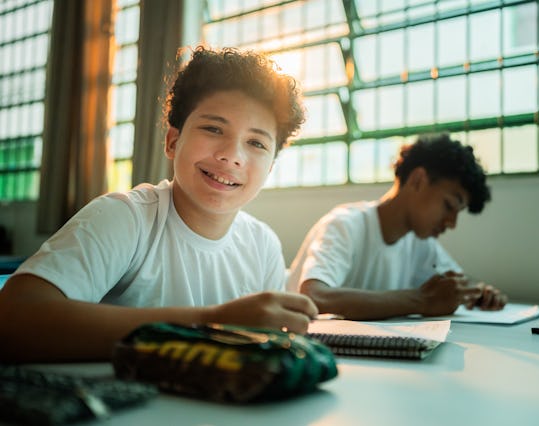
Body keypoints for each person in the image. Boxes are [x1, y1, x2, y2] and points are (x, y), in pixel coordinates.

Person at [0, 46, 318, 362]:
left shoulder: (262, 245)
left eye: (256, 143)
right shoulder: (125, 217)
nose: (231, 155)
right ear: (173, 141)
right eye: (213, 128)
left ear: (271, 168)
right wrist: (213, 322)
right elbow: (14, 319)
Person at [286, 133, 507, 320]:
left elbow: (458, 280)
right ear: (418, 180)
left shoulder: (421, 244)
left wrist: (481, 291)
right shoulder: (345, 225)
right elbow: (315, 296)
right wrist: (421, 301)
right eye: (448, 206)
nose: (451, 223)